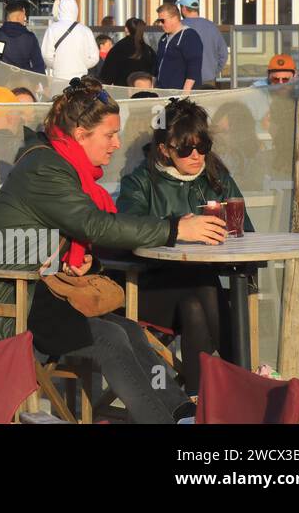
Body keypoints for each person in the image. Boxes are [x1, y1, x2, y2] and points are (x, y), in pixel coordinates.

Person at [0, 78, 225, 424]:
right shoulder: (44, 168)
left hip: (35, 287)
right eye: (109, 135)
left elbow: (62, 230)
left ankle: (183, 412)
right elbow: (94, 224)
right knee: (109, 339)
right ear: (79, 134)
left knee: (130, 331)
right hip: (1, 298)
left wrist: (81, 260)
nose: (117, 144)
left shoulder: (61, 165)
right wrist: (174, 227)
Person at [116, 98, 245, 394]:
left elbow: (243, 230)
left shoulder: (216, 178)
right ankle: (241, 377)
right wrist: (177, 228)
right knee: (203, 283)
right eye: (186, 148)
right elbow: (125, 228)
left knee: (195, 304)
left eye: (203, 147)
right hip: (148, 286)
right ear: (164, 149)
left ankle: (195, 403)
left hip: (199, 290)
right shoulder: (140, 182)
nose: (196, 156)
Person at [41, 0, 99, 81]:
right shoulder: (85, 30)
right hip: (80, 78)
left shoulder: (52, 29)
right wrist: (81, 64)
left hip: (59, 78)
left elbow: (46, 55)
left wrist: (58, 65)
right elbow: (94, 57)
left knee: (60, 95)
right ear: (76, 10)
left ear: (60, 9)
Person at [178, 0, 227, 89]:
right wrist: (213, 71)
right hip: (208, 79)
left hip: (185, 81)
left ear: (183, 9)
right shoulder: (212, 26)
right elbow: (223, 54)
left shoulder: (179, 27)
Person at [154, 3, 202, 92]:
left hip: (179, 93)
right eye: (159, 21)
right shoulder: (164, 38)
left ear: (174, 18)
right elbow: (158, 66)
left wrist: (185, 94)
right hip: (162, 91)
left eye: (163, 20)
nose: (160, 24)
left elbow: (194, 68)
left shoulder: (189, 36)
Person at [0, 1, 44, 74]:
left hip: (1, 82)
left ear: (7, 15)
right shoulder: (30, 38)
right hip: (24, 82)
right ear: (22, 14)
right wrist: (44, 83)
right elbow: (38, 66)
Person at [99, 19, 158, 87]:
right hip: (144, 90)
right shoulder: (148, 50)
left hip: (123, 90)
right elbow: (155, 71)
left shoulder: (119, 48)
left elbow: (107, 75)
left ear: (126, 29)